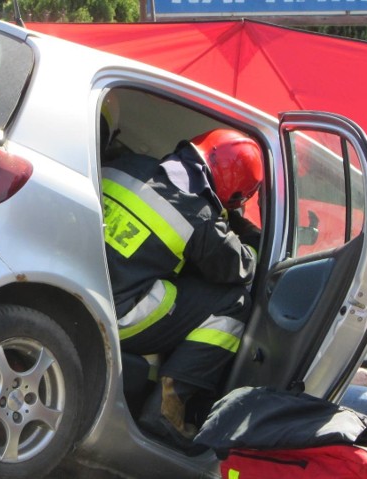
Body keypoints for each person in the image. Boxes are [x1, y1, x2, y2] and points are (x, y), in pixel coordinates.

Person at [102, 128, 263, 450]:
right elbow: (241, 268)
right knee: (234, 302)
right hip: (117, 315)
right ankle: (168, 408)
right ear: (237, 192)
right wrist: (252, 237)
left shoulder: (125, 164)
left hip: (74, 284)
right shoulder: (199, 216)